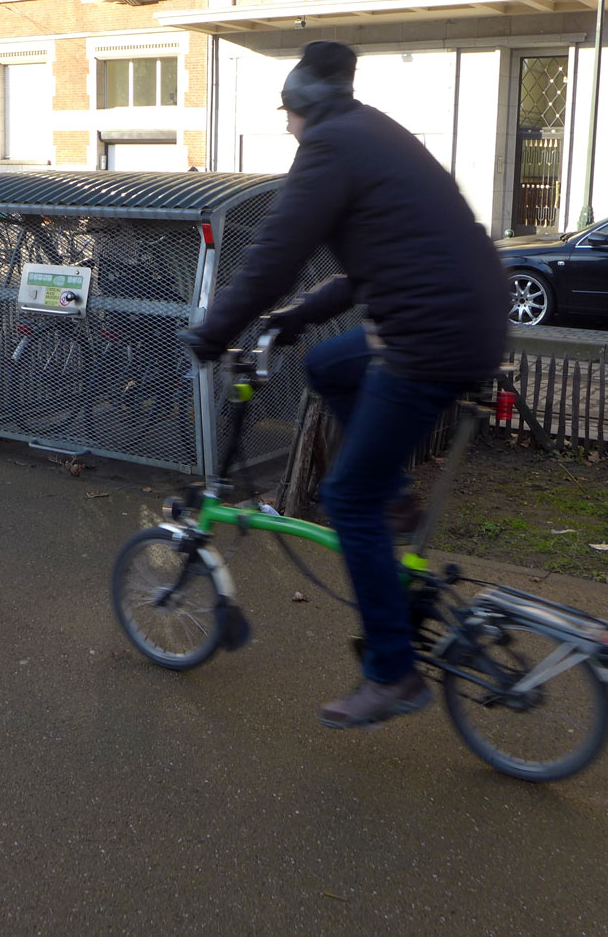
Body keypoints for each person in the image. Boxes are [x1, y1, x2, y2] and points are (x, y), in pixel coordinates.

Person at [180, 41, 510, 730]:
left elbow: (274, 254)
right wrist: (296, 318)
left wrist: (213, 332)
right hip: (458, 317)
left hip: (429, 337)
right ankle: (396, 502)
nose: (289, 128)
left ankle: (391, 671)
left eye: (285, 115)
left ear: (298, 109)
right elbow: (366, 268)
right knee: (328, 365)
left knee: (344, 496)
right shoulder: (375, 133)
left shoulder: (329, 146)